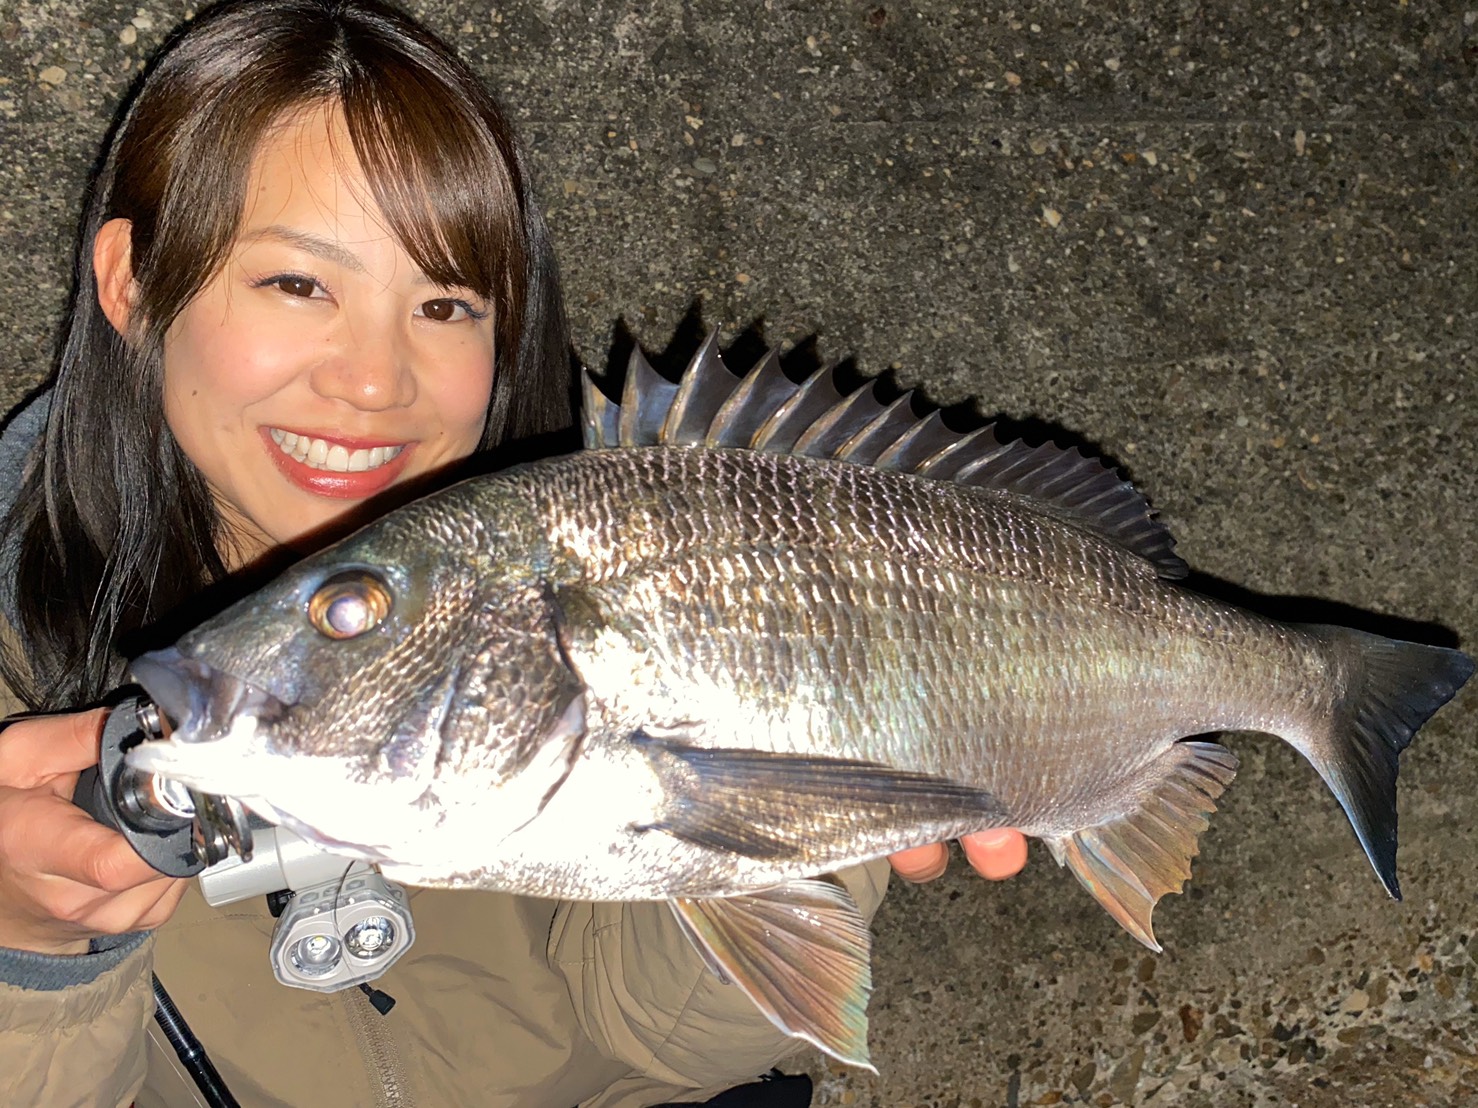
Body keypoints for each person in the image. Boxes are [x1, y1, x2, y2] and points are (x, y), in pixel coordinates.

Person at [0, 1, 1027, 1104]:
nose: (374, 380)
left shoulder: (588, 568)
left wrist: (804, 819)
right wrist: (33, 951)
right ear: (133, 281)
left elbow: (667, 1047)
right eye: (298, 284)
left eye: (444, 302)